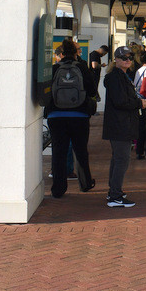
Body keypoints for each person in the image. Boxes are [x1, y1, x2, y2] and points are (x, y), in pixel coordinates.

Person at [45, 38, 95, 198]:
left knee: (58, 153)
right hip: (79, 116)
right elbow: (93, 90)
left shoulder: (53, 69)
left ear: (61, 53)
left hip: (56, 116)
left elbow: (45, 92)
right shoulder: (81, 67)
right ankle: (85, 184)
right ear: (75, 53)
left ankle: (58, 189)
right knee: (80, 151)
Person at [102, 46, 143, 207]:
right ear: (116, 60)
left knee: (118, 159)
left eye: (130, 58)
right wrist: (140, 102)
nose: (128, 60)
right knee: (122, 160)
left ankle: (114, 191)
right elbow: (121, 102)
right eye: (124, 57)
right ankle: (115, 197)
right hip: (120, 125)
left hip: (121, 124)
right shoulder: (115, 78)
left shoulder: (121, 76)